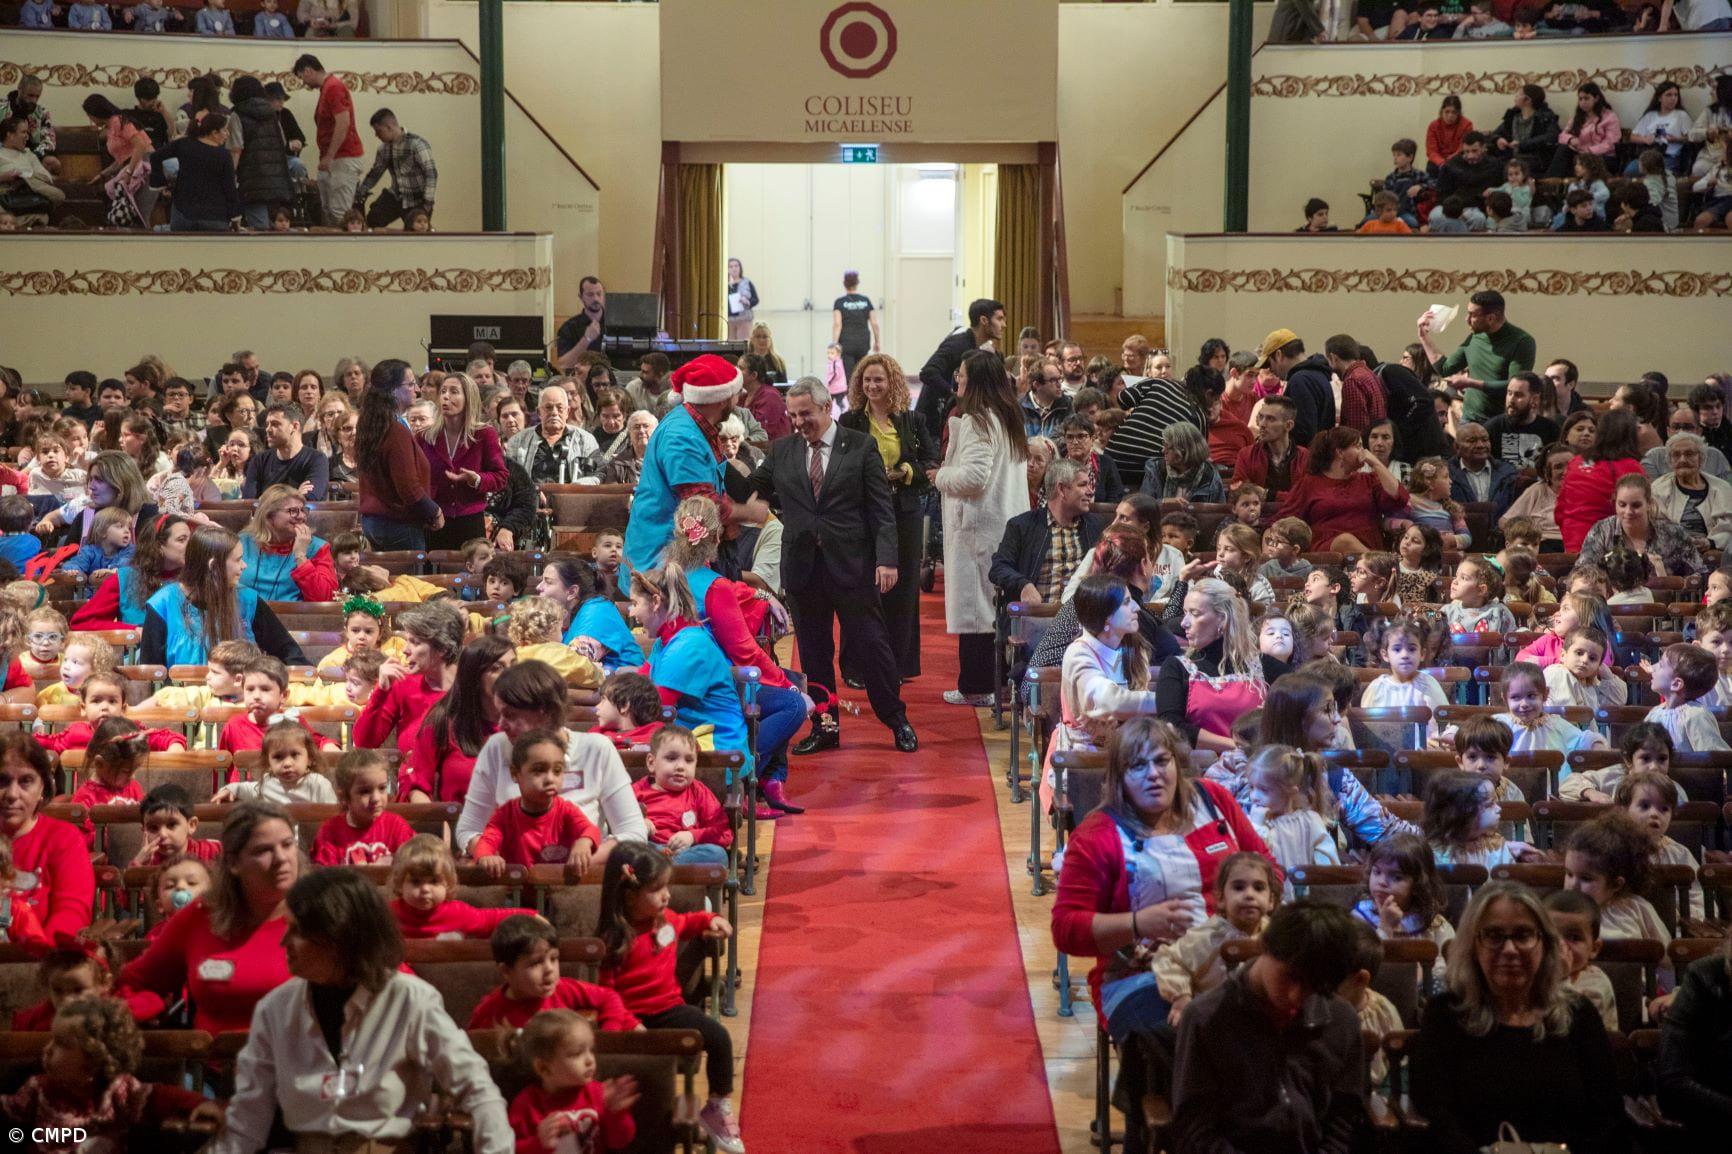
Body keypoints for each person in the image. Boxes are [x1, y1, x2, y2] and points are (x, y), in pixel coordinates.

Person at [1049, 717, 1276, 1151]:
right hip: (1140, 976)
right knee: (1190, 1038)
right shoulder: (1099, 834)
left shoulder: (1214, 801)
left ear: (1177, 762)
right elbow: (1066, 930)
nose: (1153, 774)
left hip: (1236, 961)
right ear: (1119, 777)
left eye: (1161, 760)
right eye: (1138, 766)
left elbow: (1269, 869)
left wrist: (1250, 912)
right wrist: (1136, 923)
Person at [215, 868, 512, 1153]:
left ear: (338, 938)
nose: (283, 942)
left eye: (297, 932)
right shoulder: (275, 1008)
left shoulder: (410, 1000)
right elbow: (247, 1119)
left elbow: (478, 1090)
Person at [746, 379, 917, 753]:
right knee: (814, 653)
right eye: (793, 415)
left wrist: (887, 559)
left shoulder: (861, 446)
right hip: (803, 569)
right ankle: (825, 727)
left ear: (826, 407)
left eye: (805, 414)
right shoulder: (782, 450)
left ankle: (896, 719)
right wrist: (716, 460)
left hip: (853, 566)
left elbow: (881, 510)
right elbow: (751, 488)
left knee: (872, 647)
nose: (798, 422)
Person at [1411, 881, 1623, 1153]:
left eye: (1523, 935)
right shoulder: (1446, 1015)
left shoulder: (1579, 1013)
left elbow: (1607, 1114)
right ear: (1473, 945)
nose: (1509, 949)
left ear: (1544, 942)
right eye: (1494, 935)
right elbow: (1435, 1113)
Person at [1170, 900, 1365, 1153]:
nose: (1296, 996)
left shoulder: (1341, 1019)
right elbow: (1194, 1129)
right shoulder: (1206, 1017)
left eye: (1314, 986)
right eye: (1290, 976)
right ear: (1264, 946)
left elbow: (1345, 1120)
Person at [454, 660, 648, 858]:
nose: (501, 725)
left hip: (585, 873)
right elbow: (468, 830)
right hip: (515, 871)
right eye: (499, 715)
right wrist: (489, 856)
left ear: (544, 712)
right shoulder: (497, 747)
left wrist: (584, 862)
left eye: (510, 715)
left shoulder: (596, 749)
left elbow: (634, 833)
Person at [933, 350, 1028, 709]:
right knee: (994, 610)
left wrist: (939, 476)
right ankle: (996, 684)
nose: (957, 380)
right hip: (1002, 524)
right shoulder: (1007, 417)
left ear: (975, 381)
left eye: (961, 374)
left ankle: (976, 687)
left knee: (978, 612)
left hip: (978, 528)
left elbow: (974, 477)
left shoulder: (978, 420)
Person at [622, 354, 766, 592]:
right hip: (661, 565)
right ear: (722, 399)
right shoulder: (682, 438)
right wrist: (748, 512)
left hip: (679, 560)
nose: (740, 397)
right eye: (736, 392)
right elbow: (702, 507)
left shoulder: (696, 427)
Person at [839, 354, 937, 682]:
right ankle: (856, 668)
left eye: (878, 379)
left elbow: (930, 463)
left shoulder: (913, 420)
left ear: (892, 382)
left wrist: (903, 471)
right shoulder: (850, 420)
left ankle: (897, 666)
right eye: (867, 380)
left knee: (903, 590)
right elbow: (838, 463)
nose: (872, 385)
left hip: (904, 512)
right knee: (861, 589)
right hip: (862, 513)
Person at [141, 525, 305, 666]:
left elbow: (291, 655)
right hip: (182, 693)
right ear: (213, 566)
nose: (244, 566)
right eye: (238, 560)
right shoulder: (162, 604)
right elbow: (149, 673)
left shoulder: (248, 600)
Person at [0, 733, 95, 946]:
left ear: (42, 787)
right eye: (2, 781)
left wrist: (40, 955)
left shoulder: (64, 838)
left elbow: (72, 912)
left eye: (26, 781)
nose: (12, 794)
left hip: (43, 958)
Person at [353, 358, 442, 550]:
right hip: (399, 525)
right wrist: (435, 511)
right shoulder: (395, 430)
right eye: (410, 384)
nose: (417, 389)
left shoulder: (371, 423)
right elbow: (409, 489)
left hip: (374, 523)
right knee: (410, 572)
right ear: (393, 390)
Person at [1277, 426, 1409, 554]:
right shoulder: (1309, 483)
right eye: (1358, 446)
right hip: (1328, 549)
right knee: (1345, 541)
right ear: (1340, 452)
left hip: (1369, 544)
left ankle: (1377, 562)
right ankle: (1381, 563)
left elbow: (1399, 498)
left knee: (1349, 542)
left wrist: (1375, 463)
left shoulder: (1368, 480)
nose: (1364, 452)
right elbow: (1286, 519)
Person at [1416, 290, 1536, 426]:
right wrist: (1424, 337)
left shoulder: (1522, 342)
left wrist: (1470, 383)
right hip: (1470, 420)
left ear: (1491, 318)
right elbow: (1445, 368)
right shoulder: (1475, 337)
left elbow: (1515, 387)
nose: (1466, 319)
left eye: (1472, 315)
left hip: (1503, 422)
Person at [419, 372, 507, 550]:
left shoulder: (484, 434)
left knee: (471, 567)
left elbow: (501, 477)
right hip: (435, 519)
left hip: (470, 520)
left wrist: (476, 479)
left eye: (454, 391)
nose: (446, 396)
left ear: (468, 398)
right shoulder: (424, 436)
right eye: (443, 391)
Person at [915, 298, 1006, 439]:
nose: (1004, 325)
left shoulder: (978, 348)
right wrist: (955, 395)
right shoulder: (958, 343)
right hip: (931, 424)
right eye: (999, 319)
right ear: (984, 320)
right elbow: (928, 372)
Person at [293, 54, 365, 227]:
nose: (304, 83)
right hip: (333, 158)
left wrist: (330, 155)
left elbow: (343, 122)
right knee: (327, 210)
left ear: (308, 71)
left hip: (343, 157)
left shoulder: (333, 88)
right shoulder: (327, 88)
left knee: (339, 212)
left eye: (302, 77)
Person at [227, 75, 291, 232]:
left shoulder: (237, 114)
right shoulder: (272, 113)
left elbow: (236, 149)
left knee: (259, 228)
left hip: (252, 179)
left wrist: (229, 175)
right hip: (277, 177)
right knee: (274, 226)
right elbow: (282, 142)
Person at [355, 108, 436, 228]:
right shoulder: (383, 149)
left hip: (417, 199)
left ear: (389, 127)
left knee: (417, 229)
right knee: (373, 219)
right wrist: (359, 193)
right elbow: (375, 174)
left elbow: (431, 174)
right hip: (395, 196)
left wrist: (427, 204)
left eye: (378, 131)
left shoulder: (417, 144)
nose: (376, 135)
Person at [1254, 329, 1335, 450]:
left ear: (1279, 355)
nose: (1271, 370)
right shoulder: (1318, 375)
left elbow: (1302, 433)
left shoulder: (1299, 381)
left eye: (1269, 364)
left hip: (1305, 457)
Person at [1652, 432, 1732, 553]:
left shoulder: (1722, 488)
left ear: (1701, 458)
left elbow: (1728, 527)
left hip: (1713, 552)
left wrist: (1710, 542)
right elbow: (1657, 527)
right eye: (1676, 455)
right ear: (1670, 461)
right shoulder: (1658, 488)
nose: (1683, 460)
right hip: (1671, 552)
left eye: (1689, 454)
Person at [1481, 372, 1559, 470]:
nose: (1511, 400)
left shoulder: (1551, 430)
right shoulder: (1492, 428)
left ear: (1534, 399)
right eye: (1509, 393)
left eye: (1518, 395)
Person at [1552, 81, 1623, 179]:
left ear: (1596, 98)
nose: (1583, 102)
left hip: (1602, 157)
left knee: (1581, 162)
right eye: (1580, 99)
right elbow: (1562, 136)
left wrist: (1588, 151)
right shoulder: (1578, 118)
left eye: (1586, 98)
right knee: (1563, 149)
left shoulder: (1609, 117)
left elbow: (1610, 144)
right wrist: (1570, 139)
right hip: (1580, 155)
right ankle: (1551, 182)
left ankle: (1554, 182)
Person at [830, 270, 879, 383]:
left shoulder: (840, 302)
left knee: (849, 374)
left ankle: (851, 393)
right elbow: (874, 324)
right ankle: (862, 392)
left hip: (846, 342)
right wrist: (877, 341)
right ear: (857, 283)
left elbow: (837, 324)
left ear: (844, 284)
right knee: (862, 371)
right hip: (863, 342)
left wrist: (835, 344)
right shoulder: (866, 301)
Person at [553, 276, 607, 372]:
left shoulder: (616, 322)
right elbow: (563, 364)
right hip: (580, 378)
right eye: (590, 294)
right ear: (581, 297)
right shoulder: (569, 327)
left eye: (599, 294)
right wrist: (586, 339)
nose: (596, 298)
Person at [726, 257, 759, 342]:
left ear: (740, 268)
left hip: (744, 319)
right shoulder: (724, 284)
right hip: (728, 320)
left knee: (744, 343)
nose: (734, 269)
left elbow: (755, 299)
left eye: (736, 266)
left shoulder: (746, 282)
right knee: (730, 343)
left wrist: (747, 301)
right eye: (731, 266)